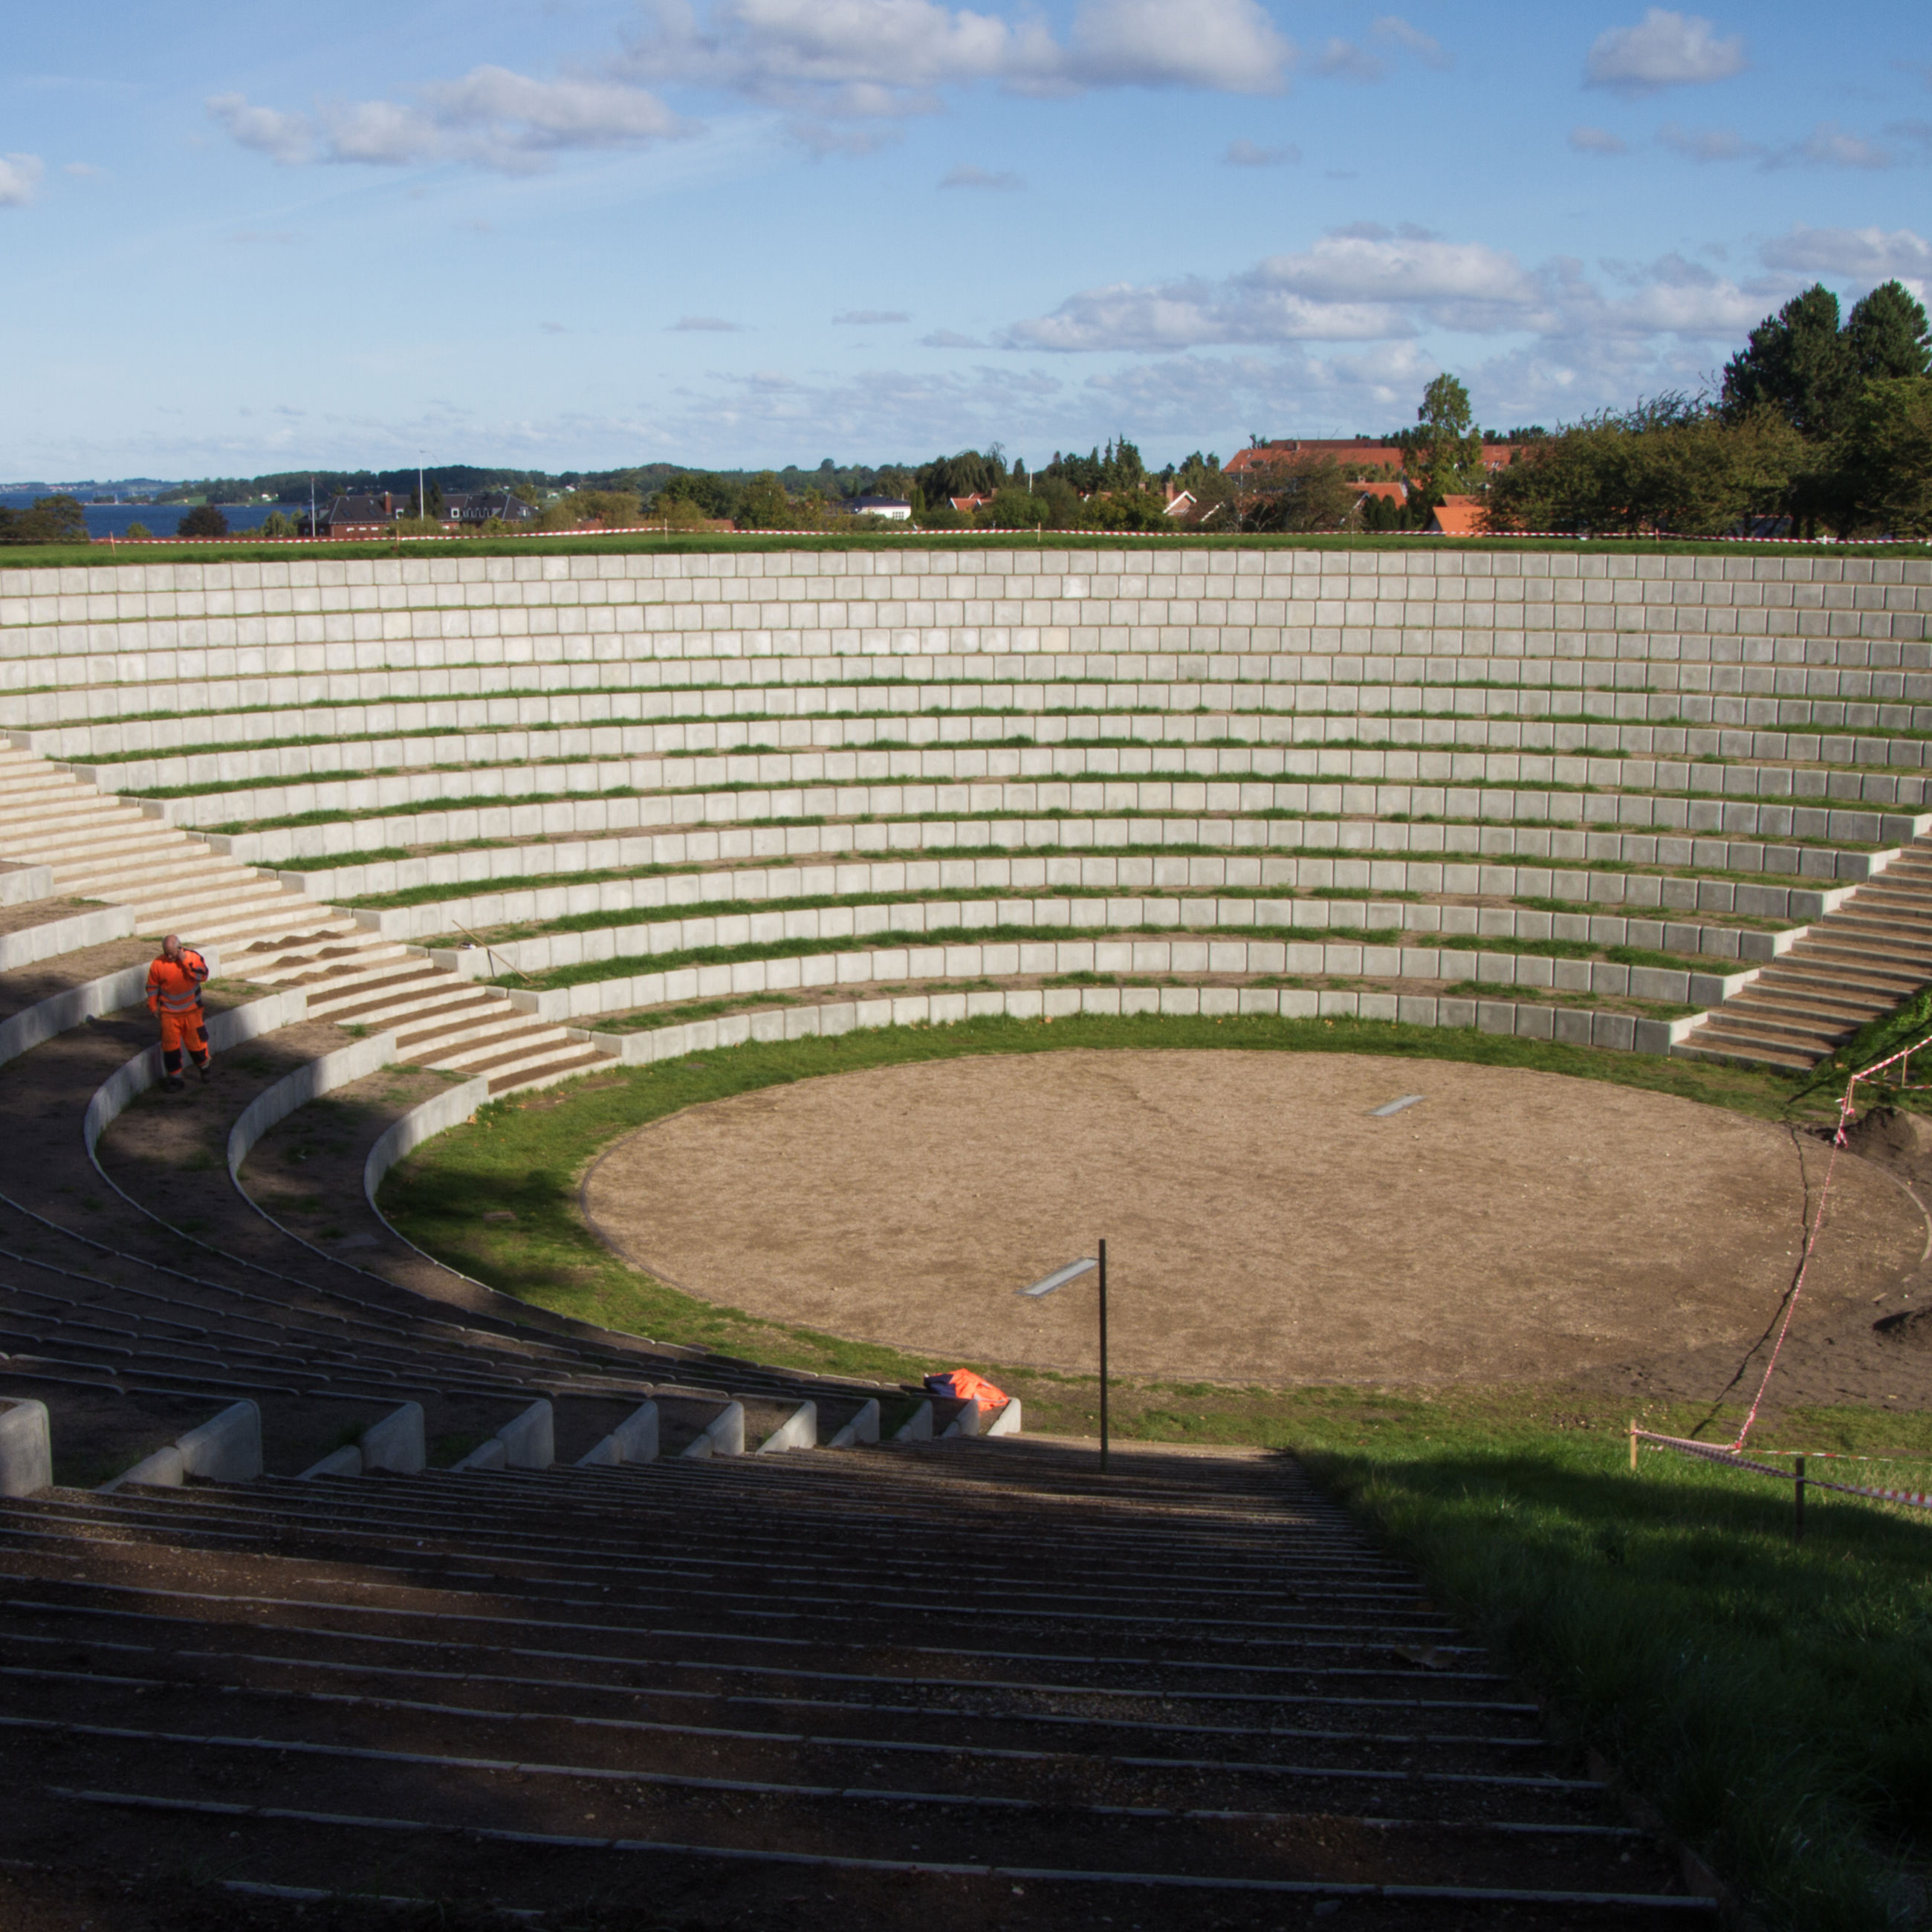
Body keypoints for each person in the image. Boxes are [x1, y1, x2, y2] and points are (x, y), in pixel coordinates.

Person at [146, 933, 211, 1090]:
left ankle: (204, 1067)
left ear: (179, 948)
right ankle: (175, 1079)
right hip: (169, 1013)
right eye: (166, 953)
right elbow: (152, 987)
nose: (169, 956)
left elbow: (203, 975)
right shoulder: (157, 964)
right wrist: (153, 1006)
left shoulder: (193, 957)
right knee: (170, 1047)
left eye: (172, 953)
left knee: (196, 1045)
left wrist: (185, 962)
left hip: (192, 1012)